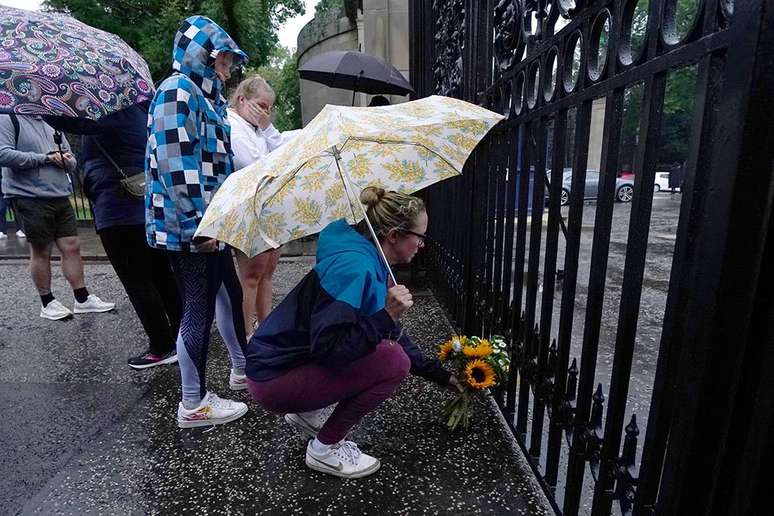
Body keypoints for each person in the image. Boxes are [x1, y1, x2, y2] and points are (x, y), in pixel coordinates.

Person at [244, 187, 459, 479]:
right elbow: (329, 350)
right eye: (419, 237)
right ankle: (325, 450)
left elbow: (392, 332)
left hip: (275, 366)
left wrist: (441, 376)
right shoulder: (356, 268)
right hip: (272, 381)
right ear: (394, 235)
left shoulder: (365, 256)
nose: (422, 245)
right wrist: (386, 315)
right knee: (394, 362)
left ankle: (305, 412)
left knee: (386, 347)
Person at [146, 15, 250, 428]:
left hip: (208, 222)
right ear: (201, 56)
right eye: (223, 60)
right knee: (198, 307)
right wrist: (198, 225)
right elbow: (176, 167)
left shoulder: (203, 97)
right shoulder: (177, 92)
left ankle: (243, 369)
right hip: (192, 228)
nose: (227, 69)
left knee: (229, 291)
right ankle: (193, 403)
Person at [48, 104, 182, 369]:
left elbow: (76, 124)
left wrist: (44, 109)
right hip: (145, 205)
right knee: (162, 275)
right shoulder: (143, 111)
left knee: (138, 281)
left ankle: (162, 346)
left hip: (118, 208)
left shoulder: (111, 111)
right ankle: (183, 338)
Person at [0, 114, 114, 320]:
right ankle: (48, 302)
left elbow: (70, 157)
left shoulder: (52, 121)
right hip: (29, 196)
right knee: (41, 249)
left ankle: (82, 299)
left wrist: (67, 160)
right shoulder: (9, 119)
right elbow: (4, 154)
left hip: (60, 194)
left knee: (72, 245)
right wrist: (45, 157)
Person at [228, 75, 289, 335]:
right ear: (243, 100)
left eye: (269, 107)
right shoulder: (232, 124)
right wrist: (267, 131)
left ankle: (266, 332)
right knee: (251, 277)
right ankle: (246, 339)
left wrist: (266, 127)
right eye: (261, 105)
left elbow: (282, 152)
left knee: (267, 273)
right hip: (249, 209)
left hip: (267, 209)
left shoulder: (256, 128)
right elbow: (255, 164)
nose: (266, 112)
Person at [0, 169, 25, 239]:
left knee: (16, 208)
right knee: (1, 209)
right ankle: (1, 230)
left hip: (11, 188)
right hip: (3, 190)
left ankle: (21, 229)